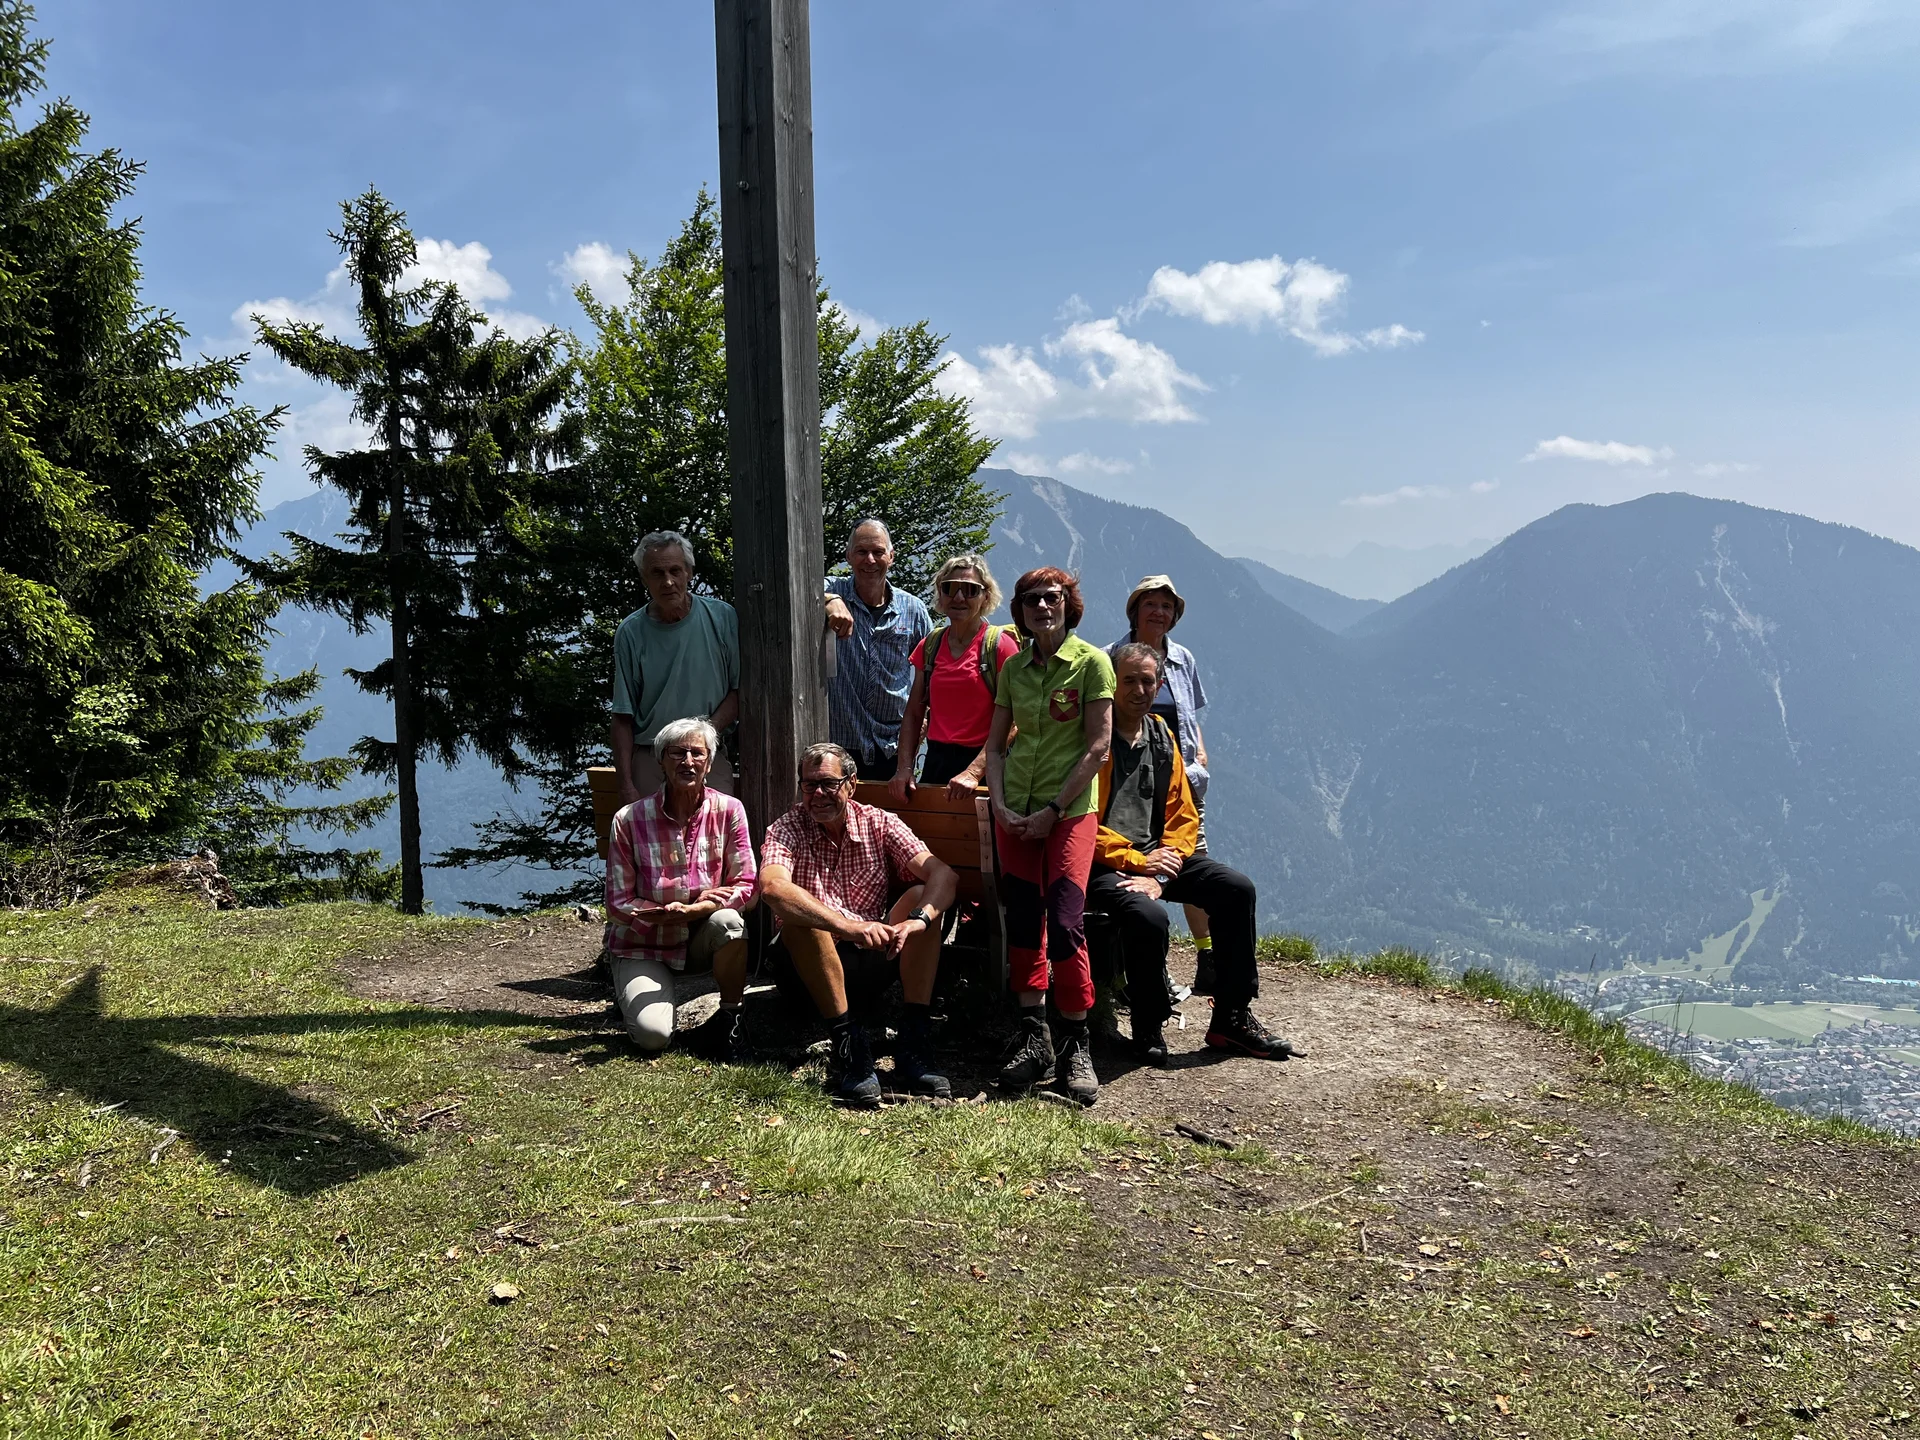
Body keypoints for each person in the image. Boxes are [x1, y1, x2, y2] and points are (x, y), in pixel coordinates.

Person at [1089, 645, 1303, 1065]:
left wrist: (1163, 867)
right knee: (1147, 916)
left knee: (1235, 889)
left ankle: (1231, 1018)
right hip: (1104, 862)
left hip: (1158, 859)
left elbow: (1183, 813)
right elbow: (1080, 823)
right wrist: (1137, 862)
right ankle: (1148, 1026)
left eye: (1148, 681)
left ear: (1160, 685)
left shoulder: (1162, 736)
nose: (1139, 689)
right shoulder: (1093, 736)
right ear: (1111, 682)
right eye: (1128, 680)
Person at [758, 742, 960, 1105]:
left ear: (852, 784)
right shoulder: (785, 828)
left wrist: (917, 923)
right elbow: (773, 888)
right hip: (806, 969)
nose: (817, 794)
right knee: (802, 920)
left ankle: (914, 1040)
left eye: (828, 784)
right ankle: (849, 1047)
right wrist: (847, 927)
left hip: (872, 960)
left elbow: (943, 875)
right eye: (808, 785)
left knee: (921, 901)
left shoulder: (878, 822)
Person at [984, 566, 1114, 1106]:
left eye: (1052, 598)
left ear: (1068, 605)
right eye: (1032, 600)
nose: (1042, 607)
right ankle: (1034, 1038)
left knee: (1063, 923)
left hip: (1068, 814)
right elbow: (994, 746)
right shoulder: (1014, 668)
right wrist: (1000, 803)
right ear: (1020, 610)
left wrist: (1054, 808)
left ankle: (1076, 1041)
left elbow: (1098, 746)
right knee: (1022, 920)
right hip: (1015, 809)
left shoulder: (1092, 663)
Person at [603, 717, 757, 1058]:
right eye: (677, 753)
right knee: (653, 1037)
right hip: (643, 942)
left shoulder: (729, 810)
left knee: (730, 922)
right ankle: (631, 993)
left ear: (709, 762)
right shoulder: (629, 819)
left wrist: (699, 909)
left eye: (697, 754)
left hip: (701, 935)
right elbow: (617, 903)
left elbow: (747, 884)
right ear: (661, 760)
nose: (688, 762)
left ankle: (731, 1022)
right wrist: (660, 914)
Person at [1112, 574, 1217, 991]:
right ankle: (1137, 965)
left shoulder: (1183, 659)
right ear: (1135, 610)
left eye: (1167, 606)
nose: (1159, 612)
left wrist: (1200, 754)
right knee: (1130, 869)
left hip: (1182, 780)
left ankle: (1206, 954)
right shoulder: (1112, 657)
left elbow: (1191, 715)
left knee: (1190, 861)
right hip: (1129, 786)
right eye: (1151, 604)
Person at [611, 531, 740, 807]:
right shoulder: (631, 632)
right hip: (651, 759)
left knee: (716, 842)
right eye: (657, 573)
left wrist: (701, 737)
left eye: (675, 570)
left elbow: (740, 690)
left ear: (689, 573)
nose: (668, 581)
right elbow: (622, 715)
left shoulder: (722, 618)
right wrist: (625, 785)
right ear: (645, 578)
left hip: (709, 754)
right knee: (649, 848)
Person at [889, 554, 1022, 803]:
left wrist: (973, 772)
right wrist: (904, 769)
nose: (959, 597)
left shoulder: (1000, 646)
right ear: (940, 593)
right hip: (936, 763)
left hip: (986, 768)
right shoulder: (930, 645)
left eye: (970, 590)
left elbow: (1014, 720)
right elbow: (915, 713)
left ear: (986, 596)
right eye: (950, 588)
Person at [823, 519, 933, 780]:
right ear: (849, 556)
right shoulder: (830, 591)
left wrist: (916, 742)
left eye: (878, 552)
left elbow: (931, 677)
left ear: (891, 557)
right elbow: (802, 584)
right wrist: (831, 600)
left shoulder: (913, 610)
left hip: (894, 749)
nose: (870, 560)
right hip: (839, 747)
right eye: (861, 552)